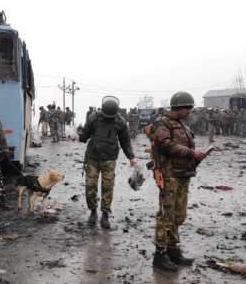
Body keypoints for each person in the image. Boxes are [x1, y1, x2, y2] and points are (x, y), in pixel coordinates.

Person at [148, 91, 205, 271]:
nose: (189, 111)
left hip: (183, 174)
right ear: (178, 107)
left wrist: (198, 156)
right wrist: (190, 153)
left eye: (190, 108)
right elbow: (165, 145)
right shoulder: (163, 124)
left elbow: (186, 148)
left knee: (179, 216)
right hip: (169, 175)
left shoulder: (184, 126)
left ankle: (173, 250)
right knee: (166, 215)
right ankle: (160, 255)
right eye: (187, 108)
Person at [79, 96, 136, 229]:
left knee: (108, 187)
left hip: (109, 159)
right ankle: (93, 211)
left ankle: (105, 214)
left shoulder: (120, 122)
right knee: (90, 186)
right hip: (93, 157)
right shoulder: (94, 118)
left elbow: (125, 141)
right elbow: (85, 135)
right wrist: (79, 135)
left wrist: (131, 157)